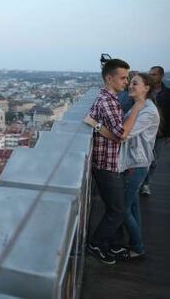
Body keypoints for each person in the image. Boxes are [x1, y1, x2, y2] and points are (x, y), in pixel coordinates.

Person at [86, 73, 160, 259]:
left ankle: (136, 246)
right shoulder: (139, 106)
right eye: (129, 81)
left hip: (135, 164)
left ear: (146, 88)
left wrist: (95, 125)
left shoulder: (147, 111)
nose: (129, 85)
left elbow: (123, 134)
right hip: (132, 163)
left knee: (121, 209)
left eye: (135, 83)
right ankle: (131, 243)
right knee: (131, 207)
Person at [85, 59, 143, 264]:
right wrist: (138, 106)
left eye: (127, 78)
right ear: (109, 78)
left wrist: (100, 128)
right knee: (118, 210)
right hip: (106, 165)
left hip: (108, 162)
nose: (126, 82)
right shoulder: (108, 101)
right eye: (123, 77)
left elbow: (93, 122)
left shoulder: (107, 98)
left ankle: (109, 244)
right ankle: (95, 244)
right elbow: (122, 133)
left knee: (115, 209)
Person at [139, 66, 170, 196]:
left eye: (154, 74)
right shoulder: (144, 92)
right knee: (143, 158)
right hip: (144, 132)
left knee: (154, 160)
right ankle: (142, 183)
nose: (151, 76)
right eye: (150, 74)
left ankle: (145, 183)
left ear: (161, 76)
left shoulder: (168, 93)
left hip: (160, 133)